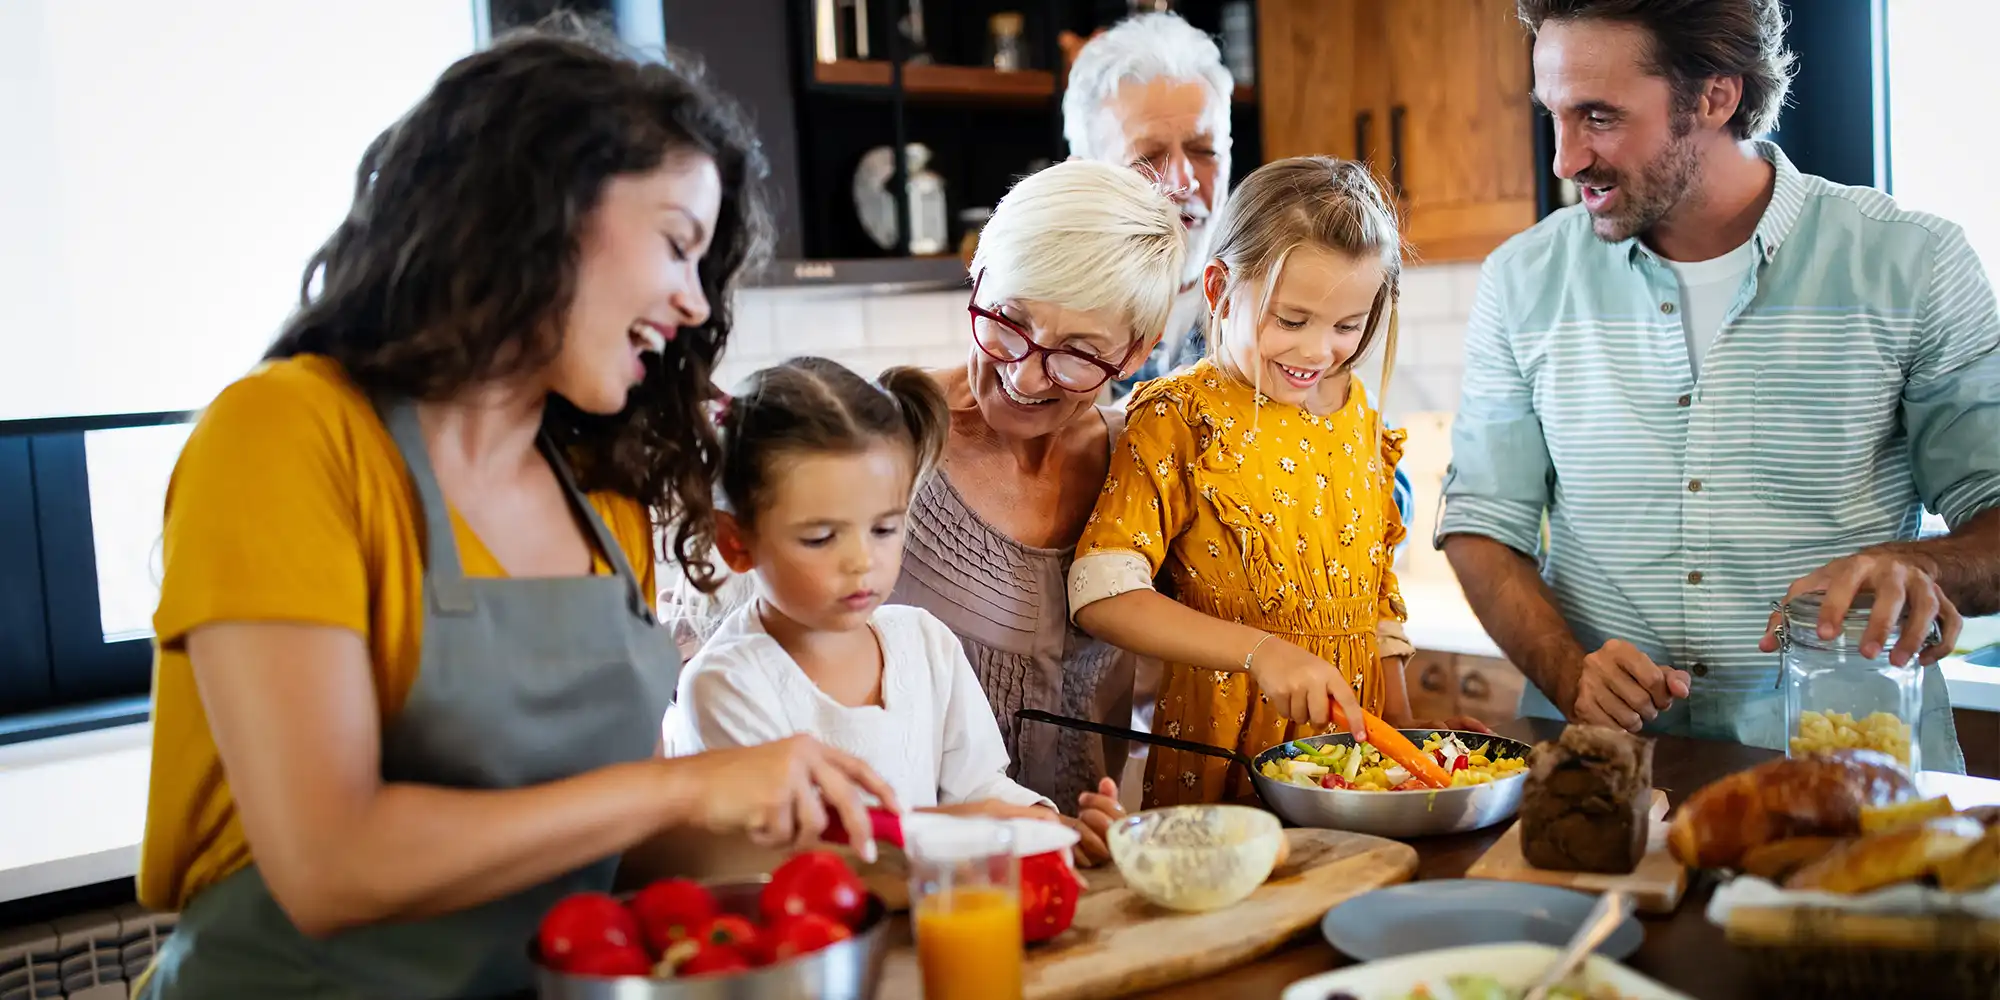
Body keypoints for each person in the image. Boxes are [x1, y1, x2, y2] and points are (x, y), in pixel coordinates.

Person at [134, 23, 896, 1000]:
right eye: (676, 244)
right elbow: (330, 862)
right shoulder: (285, 435)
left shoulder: (602, 496)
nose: (695, 304)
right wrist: (685, 783)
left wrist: (872, 852)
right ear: (540, 202)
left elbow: (607, 856)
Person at [1439, 0, 2000, 771]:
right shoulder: (1522, 279)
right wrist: (1570, 673)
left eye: (1598, 117)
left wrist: (1924, 567)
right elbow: (1482, 528)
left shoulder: (1915, 264)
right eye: (1555, 115)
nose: (1565, 159)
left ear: (1715, 96)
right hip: (1609, 780)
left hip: (1844, 773)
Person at [1068, 157, 1490, 809]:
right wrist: (1259, 652)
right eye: (1291, 321)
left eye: (1348, 326)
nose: (1318, 351)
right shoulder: (1180, 417)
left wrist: (1412, 746)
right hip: (1225, 762)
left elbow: (1377, 606)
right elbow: (1101, 590)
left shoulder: (1361, 422)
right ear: (1218, 290)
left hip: (1355, 770)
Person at [662, 358, 1121, 864]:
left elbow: (977, 788)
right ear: (735, 544)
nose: (863, 562)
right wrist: (960, 828)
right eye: (820, 537)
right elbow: (792, 859)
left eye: (884, 529)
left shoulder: (923, 642)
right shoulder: (726, 684)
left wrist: (1050, 826)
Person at [888, 158, 1185, 819]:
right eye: (1008, 321)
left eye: (1078, 351)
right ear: (978, 276)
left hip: (1075, 871)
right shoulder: (879, 435)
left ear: (1138, 350)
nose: (1025, 374)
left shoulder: (1141, 467)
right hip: (912, 876)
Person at [1061, 11, 1234, 398]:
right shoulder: (1046, 338)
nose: (1184, 182)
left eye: (1205, 150)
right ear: (1083, 178)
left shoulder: (1273, 316)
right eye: (1148, 157)